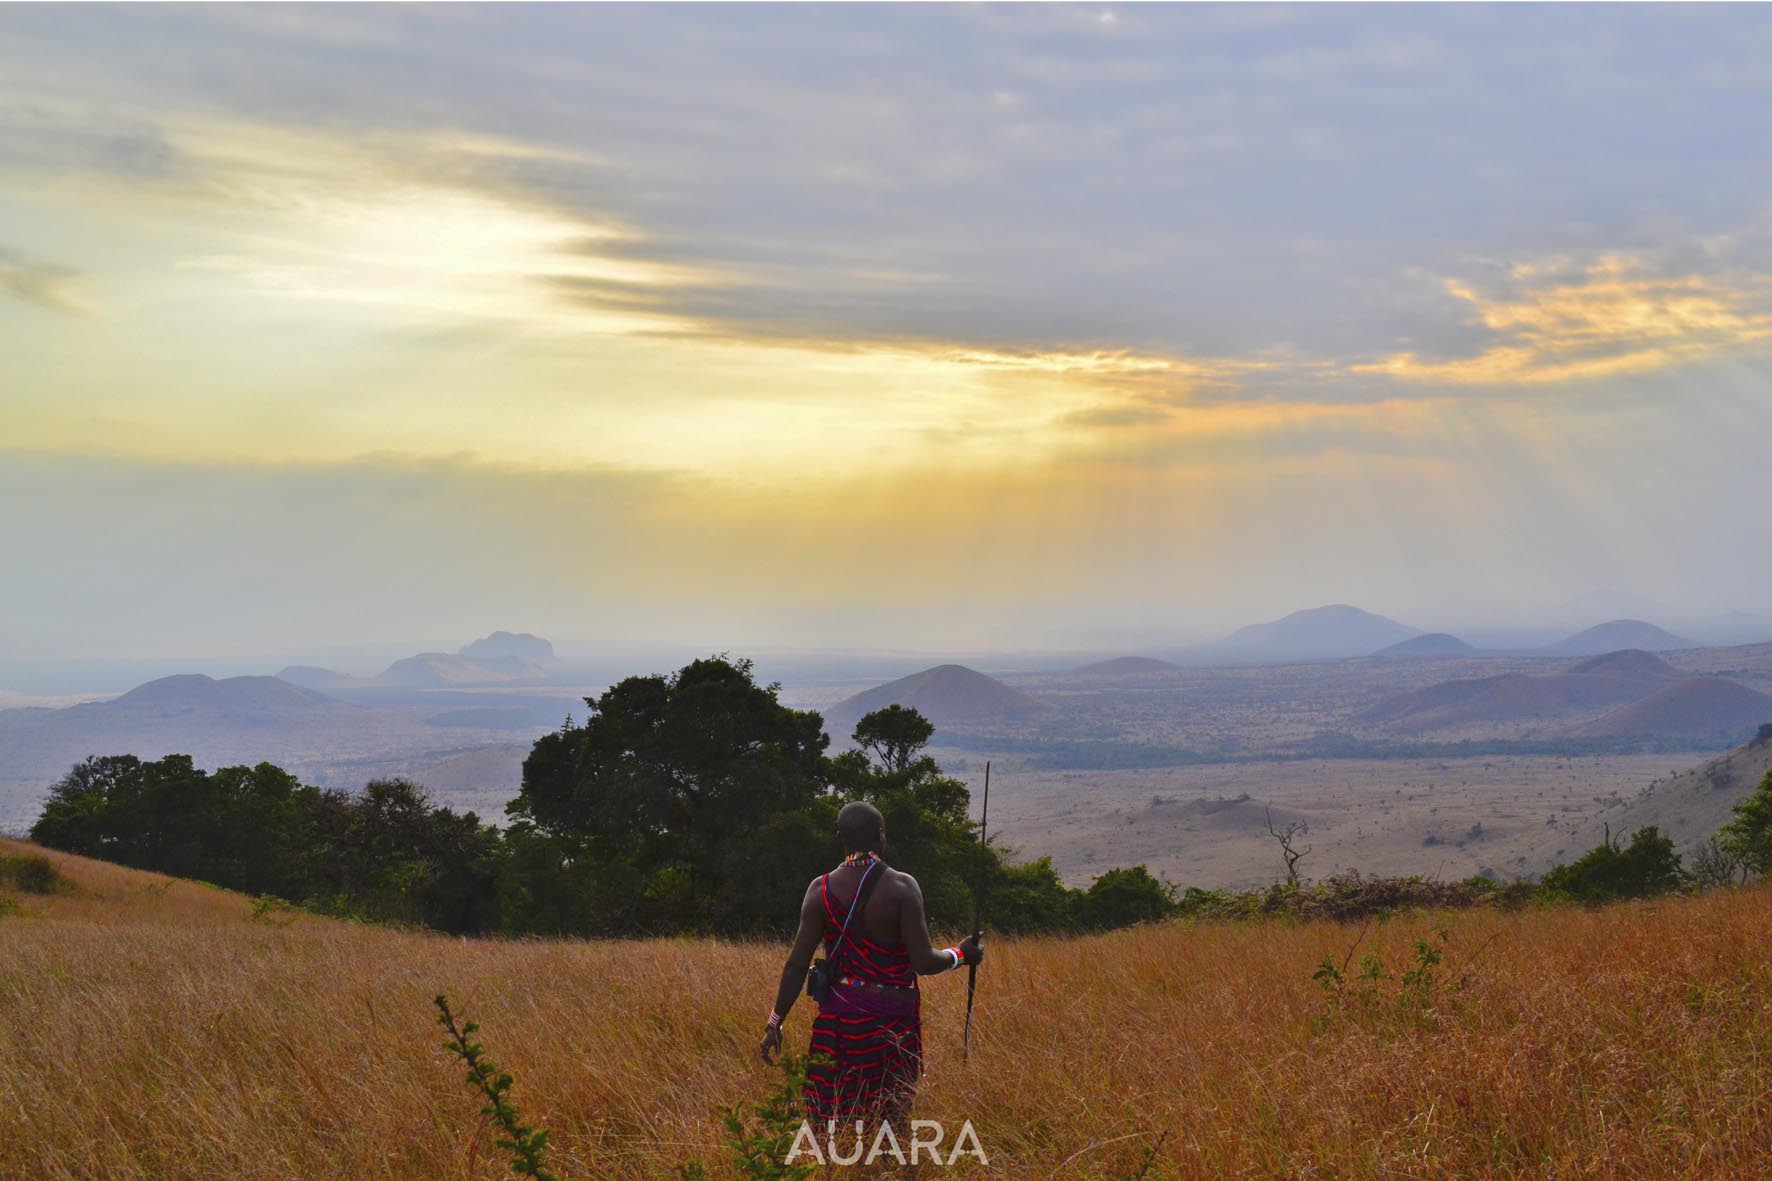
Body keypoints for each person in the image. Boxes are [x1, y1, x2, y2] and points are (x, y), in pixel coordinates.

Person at [760, 800, 983, 1133]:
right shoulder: (902, 887)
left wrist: (774, 1023)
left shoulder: (818, 890)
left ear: (841, 839)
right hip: (892, 1029)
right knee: (892, 1120)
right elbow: (923, 961)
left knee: (831, 1121)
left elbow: (796, 966)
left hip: (837, 1024)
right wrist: (961, 954)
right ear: (881, 837)